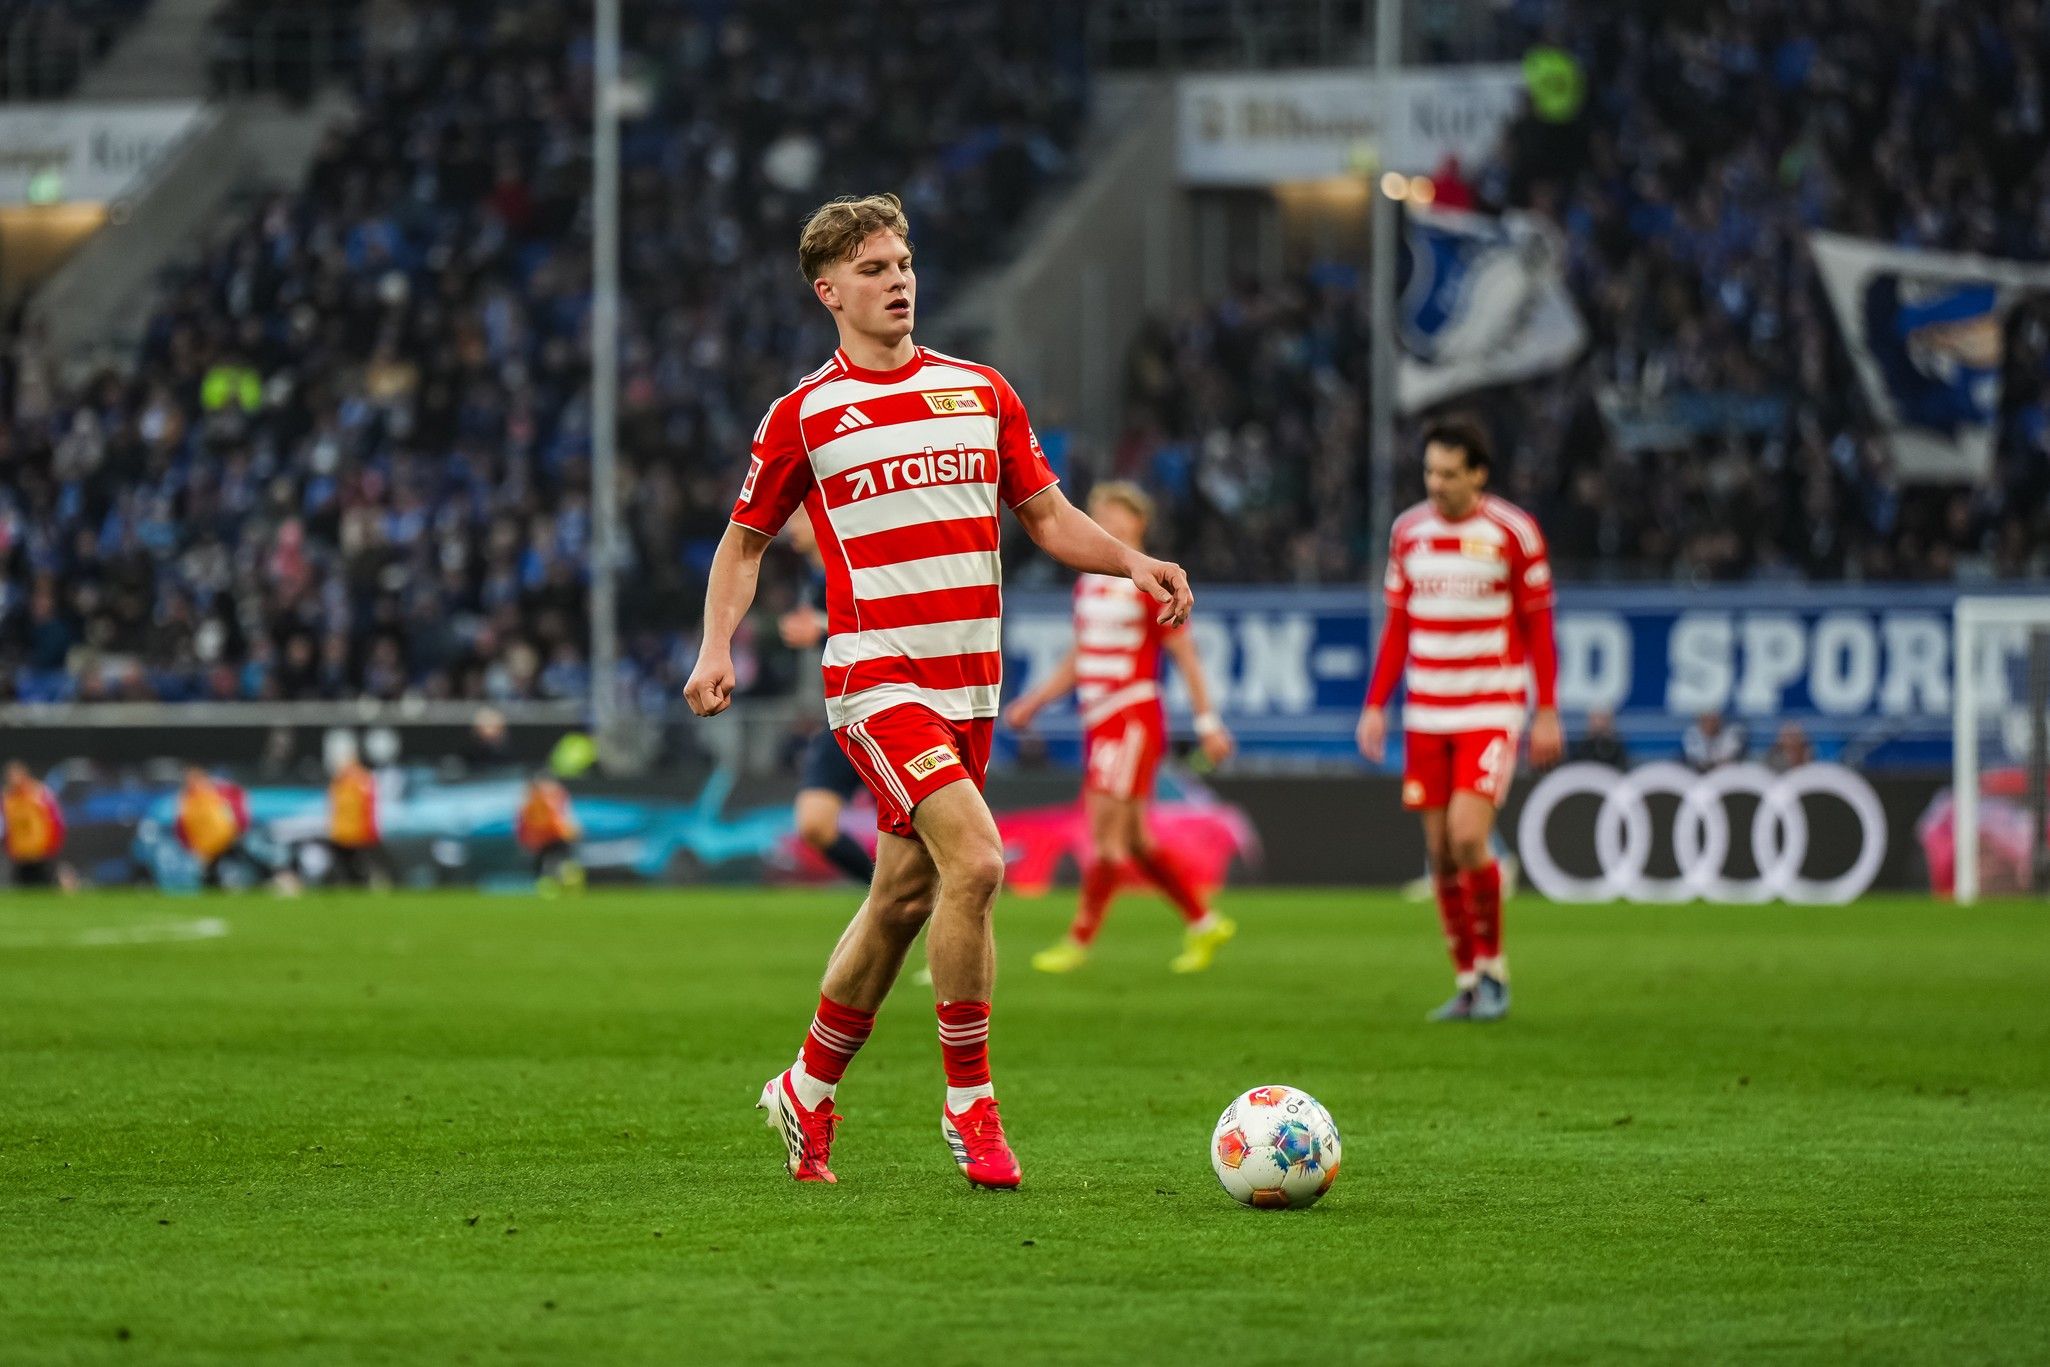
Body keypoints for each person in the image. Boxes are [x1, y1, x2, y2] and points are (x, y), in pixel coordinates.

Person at [684, 193, 1193, 1190]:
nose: (898, 280)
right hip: (876, 676)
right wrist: (716, 644)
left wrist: (1131, 560)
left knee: (902, 896)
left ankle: (807, 1087)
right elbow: (742, 542)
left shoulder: (980, 390)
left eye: (903, 262)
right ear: (829, 291)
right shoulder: (803, 416)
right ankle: (970, 1105)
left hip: (969, 687)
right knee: (980, 861)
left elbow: (1045, 517)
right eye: (873, 269)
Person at [1358, 416, 1561, 1024]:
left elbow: (1539, 627)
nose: (1436, 483)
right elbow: (1398, 627)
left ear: (1478, 474)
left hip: (1489, 707)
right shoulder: (1408, 532)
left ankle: (1495, 970)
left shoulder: (1513, 532)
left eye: (1449, 473)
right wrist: (1375, 704)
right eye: (1429, 471)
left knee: (1470, 836)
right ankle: (1469, 980)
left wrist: (1546, 709)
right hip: (1427, 711)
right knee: (1441, 853)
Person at [1003, 481, 1239, 974]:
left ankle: (1079, 939)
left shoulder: (1150, 582)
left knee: (1104, 835)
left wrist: (1208, 722)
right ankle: (1203, 920)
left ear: (1139, 524)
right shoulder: (1088, 582)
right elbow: (1081, 656)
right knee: (1134, 840)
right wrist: (1035, 702)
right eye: (1100, 513)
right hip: (1100, 719)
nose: (1108, 522)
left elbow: (1184, 654)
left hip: (1130, 717)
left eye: (1120, 515)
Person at [779, 511, 877, 885]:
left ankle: (905, 897)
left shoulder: (857, 565)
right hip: (843, 712)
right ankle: (885, 893)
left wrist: (818, 626)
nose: (791, 527)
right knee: (814, 823)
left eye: (799, 517)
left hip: (883, 707)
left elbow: (881, 626)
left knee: (915, 829)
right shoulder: (813, 578)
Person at [176, 766, 260, 888]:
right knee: (209, 876)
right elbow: (182, 826)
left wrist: (236, 832)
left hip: (227, 841)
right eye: (189, 779)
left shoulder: (222, 793)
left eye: (195, 778)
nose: (192, 782)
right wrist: (191, 847)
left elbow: (239, 817)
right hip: (205, 848)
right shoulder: (186, 800)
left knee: (244, 863)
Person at [326, 754, 391, 887]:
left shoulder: (347, 782)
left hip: (353, 833)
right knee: (352, 867)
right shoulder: (352, 782)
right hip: (350, 834)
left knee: (355, 867)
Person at [515, 772, 584, 894]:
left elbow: (564, 814)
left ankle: (566, 880)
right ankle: (555, 883)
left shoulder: (554, 795)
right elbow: (524, 818)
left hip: (555, 833)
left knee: (560, 858)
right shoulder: (534, 797)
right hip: (543, 835)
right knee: (547, 860)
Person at [3, 762, 66, 888]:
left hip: (41, 853)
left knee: (45, 888)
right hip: (20, 855)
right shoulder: (7, 799)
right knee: (24, 891)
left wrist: (52, 845)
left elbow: (56, 822)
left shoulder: (39, 794)